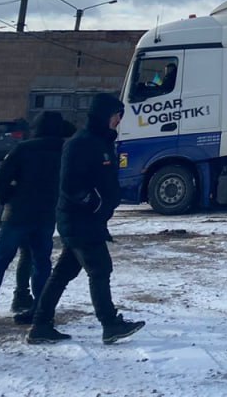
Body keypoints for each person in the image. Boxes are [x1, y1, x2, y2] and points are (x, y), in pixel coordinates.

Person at [28, 94, 144, 345]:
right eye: (116, 115)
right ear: (104, 115)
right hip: (80, 220)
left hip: (88, 221)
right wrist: (94, 203)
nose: (119, 120)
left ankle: (40, 325)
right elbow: (70, 185)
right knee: (100, 269)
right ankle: (109, 324)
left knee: (61, 274)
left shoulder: (101, 142)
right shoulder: (81, 143)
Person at [0, 111, 70, 333]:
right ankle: (40, 311)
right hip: (46, 216)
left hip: (16, 215)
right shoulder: (64, 152)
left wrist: (9, 198)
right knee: (41, 265)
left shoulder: (23, 149)